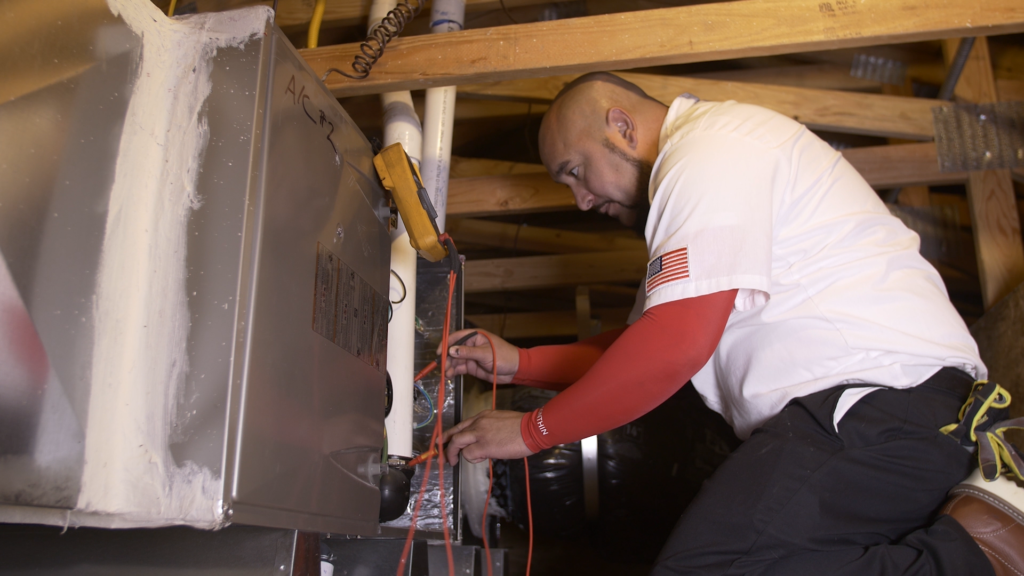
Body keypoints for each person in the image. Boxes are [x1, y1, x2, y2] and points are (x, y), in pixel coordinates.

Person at [440, 72, 1024, 575]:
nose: (579, 202)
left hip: (883, 401)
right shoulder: (695, 205)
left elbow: (673, 349)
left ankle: (982, 557)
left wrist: (530, 432)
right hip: (879, 418)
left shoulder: (709, 152)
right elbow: (637, 349)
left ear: (621, 126)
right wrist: (520, 362)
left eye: (574, 171)